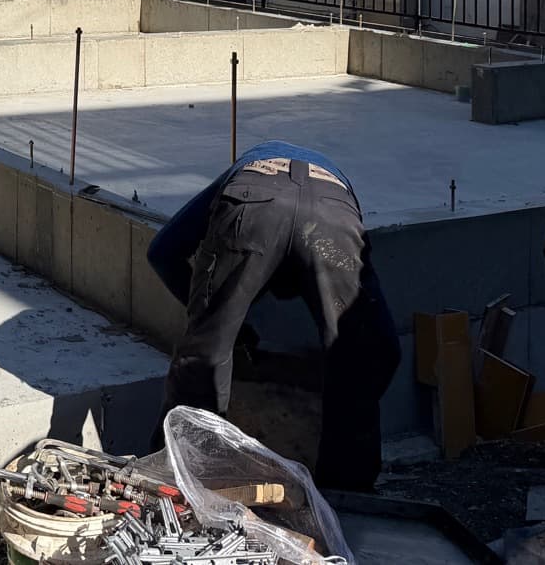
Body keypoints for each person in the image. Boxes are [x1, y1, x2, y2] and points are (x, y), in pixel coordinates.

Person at [147, 142, 401, 491]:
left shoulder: (241, 171)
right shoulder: (337, 193)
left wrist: (210, 318)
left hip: (254, 201)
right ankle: (346, 496)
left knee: (206, 355)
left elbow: (161, 253)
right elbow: (385, 347)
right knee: (365, 352)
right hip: (332, 213)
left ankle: (179, 480)